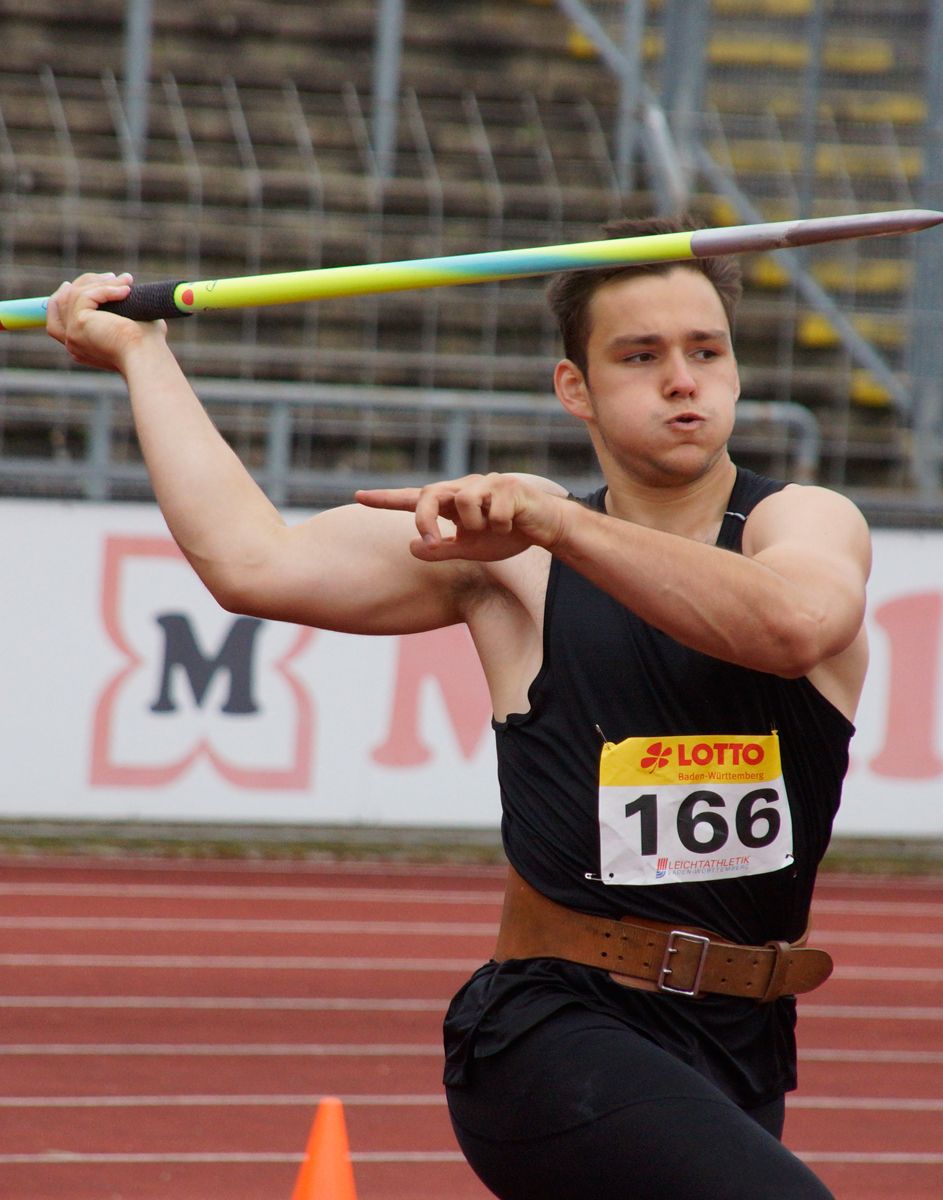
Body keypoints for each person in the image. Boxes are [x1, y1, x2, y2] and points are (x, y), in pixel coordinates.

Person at [47, 215, 868, 1200]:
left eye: (706, 351)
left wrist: (559, 523)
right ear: (577, 389)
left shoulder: (799, 523)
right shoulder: (515, 562)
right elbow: (252, 562)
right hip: (556, 1033)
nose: (682, 380)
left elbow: (792, 625)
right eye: (640, 356)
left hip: (742, 1042)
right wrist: (143, 356)